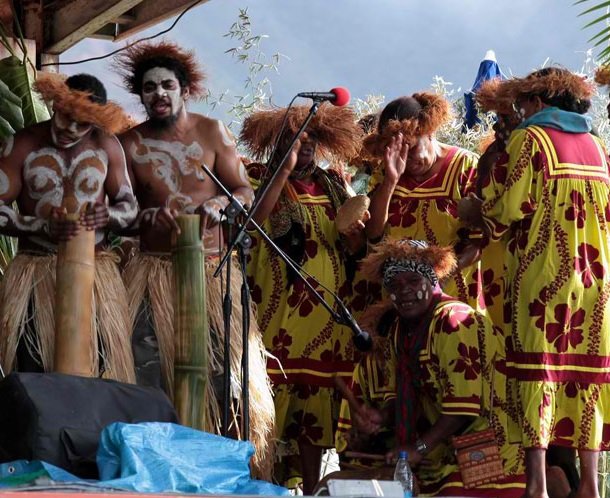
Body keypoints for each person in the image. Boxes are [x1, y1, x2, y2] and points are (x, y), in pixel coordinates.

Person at [115, 40, 274, 479]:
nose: (159, 94)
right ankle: (156, 468)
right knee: (148, 370)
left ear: (184, 89)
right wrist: (147, 215)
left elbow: (244, 189)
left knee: (225, 374)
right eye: (149, 88)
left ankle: (226, 466)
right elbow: (121, 212)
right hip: (153, 272)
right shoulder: (128, 143)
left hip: (212, 270)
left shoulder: (212, 132)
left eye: (167, 85)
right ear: (141, 95)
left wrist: (222, 204)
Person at [480, 67, 610, 498]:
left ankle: (536, 485)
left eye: (522, 104)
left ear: (537, 102)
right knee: (585, 377)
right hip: (596, 281)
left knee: (540, 372)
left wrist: (475, 211)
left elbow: (510, 207)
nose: (519, 112)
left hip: (544, 276)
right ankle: (590, 485)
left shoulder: (530, 139)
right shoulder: (597, 146)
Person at [240, 104, 365, 493]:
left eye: (311, 141)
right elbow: (256, 220)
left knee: (315, 404)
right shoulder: (256, 176)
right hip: (276, 307)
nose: (305, 148)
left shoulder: (333, 185)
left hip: (326, 315)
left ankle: (310, 489)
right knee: (271, 402)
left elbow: (354, 244)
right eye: (296, 140)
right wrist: (284, 166)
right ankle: (263, 483)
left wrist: (355, 237)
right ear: (277, 144)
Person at [351, 238, 526, 497]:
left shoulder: (454, 320)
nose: (405, 291)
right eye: (395, 285)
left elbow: (463, 409)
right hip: (445, 449)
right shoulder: (399, 330)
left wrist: (418, 448)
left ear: (432, 280)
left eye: (413, 281)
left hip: (491, 443)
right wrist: (381, 417)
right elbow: (398, 399)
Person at [0, 72, 137, 382]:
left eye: (83, 123)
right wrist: (38, 224)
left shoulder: (108, 147)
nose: (70, 129)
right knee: (32, 370)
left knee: (99, 369)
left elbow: (129, 210)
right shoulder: (23, 144)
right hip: (34, 275)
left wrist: (107, 216)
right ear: (55, 104)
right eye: (66, 117)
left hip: (95, 276)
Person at [363, 93, 484, 312]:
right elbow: (373, 235)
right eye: (398, 151)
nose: (406, 159)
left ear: (430, 133)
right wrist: (391, 181)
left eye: (412, 148)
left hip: (455, 297)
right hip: (402, 301)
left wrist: (435, 282)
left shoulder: (467, 166)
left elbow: (479, 241)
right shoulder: (385, 172)